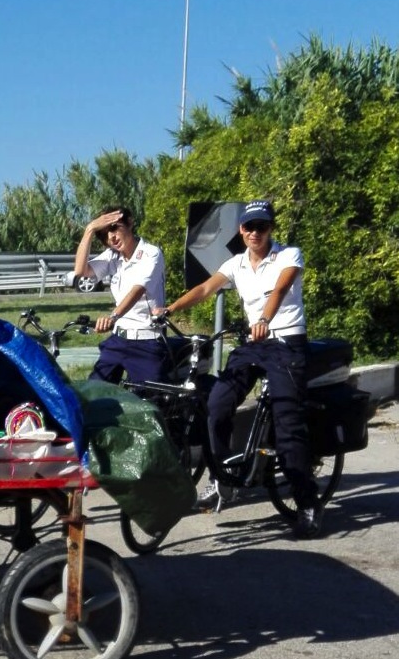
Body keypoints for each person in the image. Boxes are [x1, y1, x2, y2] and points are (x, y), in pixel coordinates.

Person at [155, 199, 322, 539]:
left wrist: (263, 318)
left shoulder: (289, 255)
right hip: (254, 346)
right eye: (248, 227)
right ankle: (222, 480)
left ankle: (308, 504)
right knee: (216, 404)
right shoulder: (236, 263)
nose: (254, 233)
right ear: (240, 231)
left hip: (286, 344)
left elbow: (281, 288)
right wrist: (170, 308)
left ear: (270, 228)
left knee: (288, 426)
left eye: (261, 226)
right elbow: (205, 288)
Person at [73, 205, 169, 385]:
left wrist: (113, 316)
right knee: (95, 392)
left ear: (130, 223)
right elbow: (81, 271)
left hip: (147, 341)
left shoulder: (151, 253)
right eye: (104, 235)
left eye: (114, 228)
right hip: (119, 339)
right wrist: (89, 230)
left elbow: (138, 289)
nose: (111, 237)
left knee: (148, 403)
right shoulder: (112, 256)